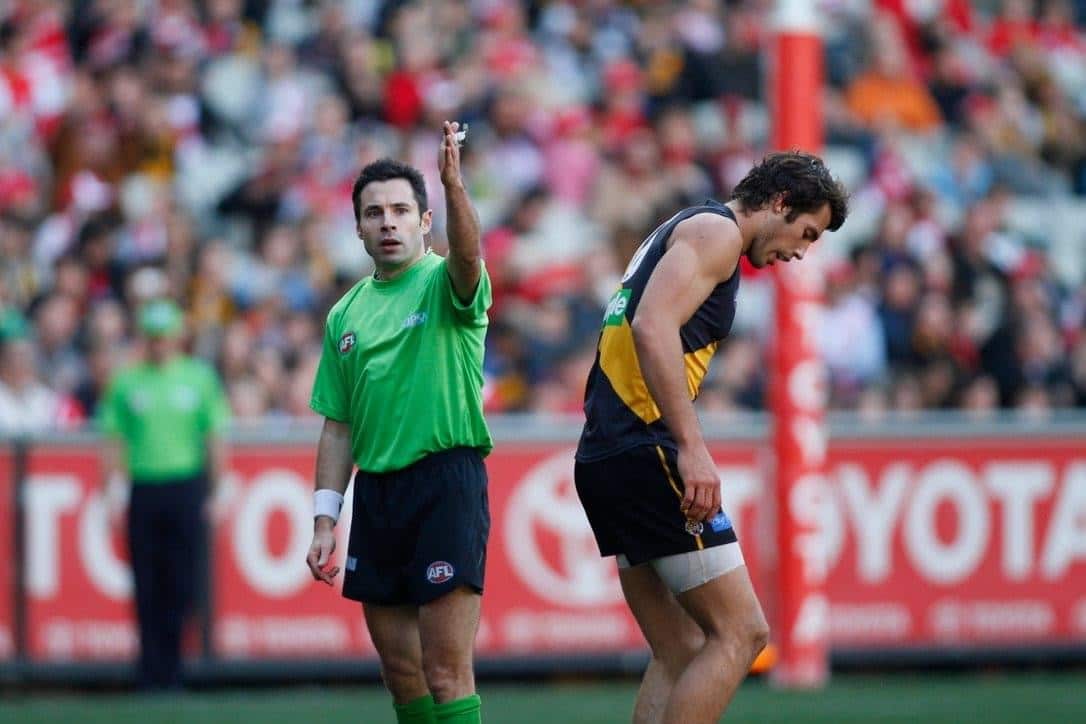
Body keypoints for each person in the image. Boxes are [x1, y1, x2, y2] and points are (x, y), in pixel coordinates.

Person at [575, 151, 849, 724]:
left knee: (680, 650)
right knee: (742, 633)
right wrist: (692, 448)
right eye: (805, 232)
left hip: (607, 450)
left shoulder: (688, 226)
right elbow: (652, 327)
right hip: (644, 445)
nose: (800, 250)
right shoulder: (717, 233)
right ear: (779, 203)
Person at [305, 122, 491, 724]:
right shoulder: (346, 313)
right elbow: (338, 425)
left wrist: (453, 185)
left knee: (445, 671)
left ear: (423, 221)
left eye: (401, 211)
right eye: (374, 213)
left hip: (445, 482)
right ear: (358, 228)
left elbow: (469, 256)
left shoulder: (444, 284)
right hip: (379, 492)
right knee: (402, 674)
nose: (388, 222)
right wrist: (325, 519)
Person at [97, 298, 230, 691]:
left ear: (177, 337)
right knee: (146, 581)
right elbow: (113, 439)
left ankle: (173, 667)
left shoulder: (197, 378)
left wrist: (218, 487)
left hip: (185, 487)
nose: (159, 344)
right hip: (144, 488)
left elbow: (214, 436)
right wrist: (111, 490)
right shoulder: (128, 382)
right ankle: (150, 670)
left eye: (165, 337)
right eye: (153, 337)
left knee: (181, 580)